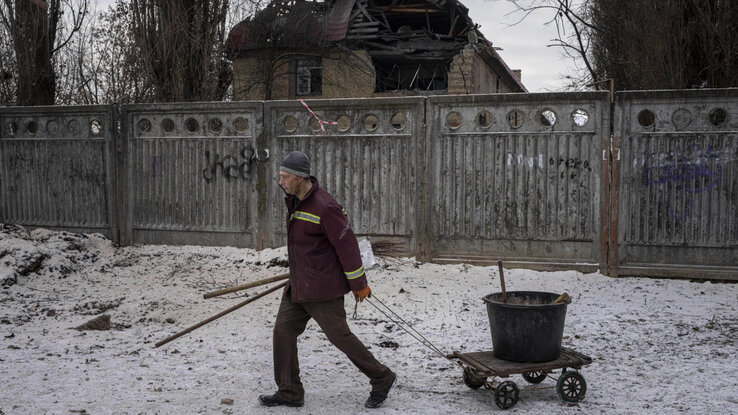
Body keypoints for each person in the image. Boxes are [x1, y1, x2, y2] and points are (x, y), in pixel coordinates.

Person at [258, 151, 396, 409]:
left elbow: (348, 247)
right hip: (299, 285)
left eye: (285, 177)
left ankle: (382, 377)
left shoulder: (325, 207)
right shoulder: (296, 201)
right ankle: (289, 392)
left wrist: (359, 284)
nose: (280, 181)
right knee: (283, 332)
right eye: (280, 176)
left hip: (323, 288)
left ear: (300, 178)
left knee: (339, 336)